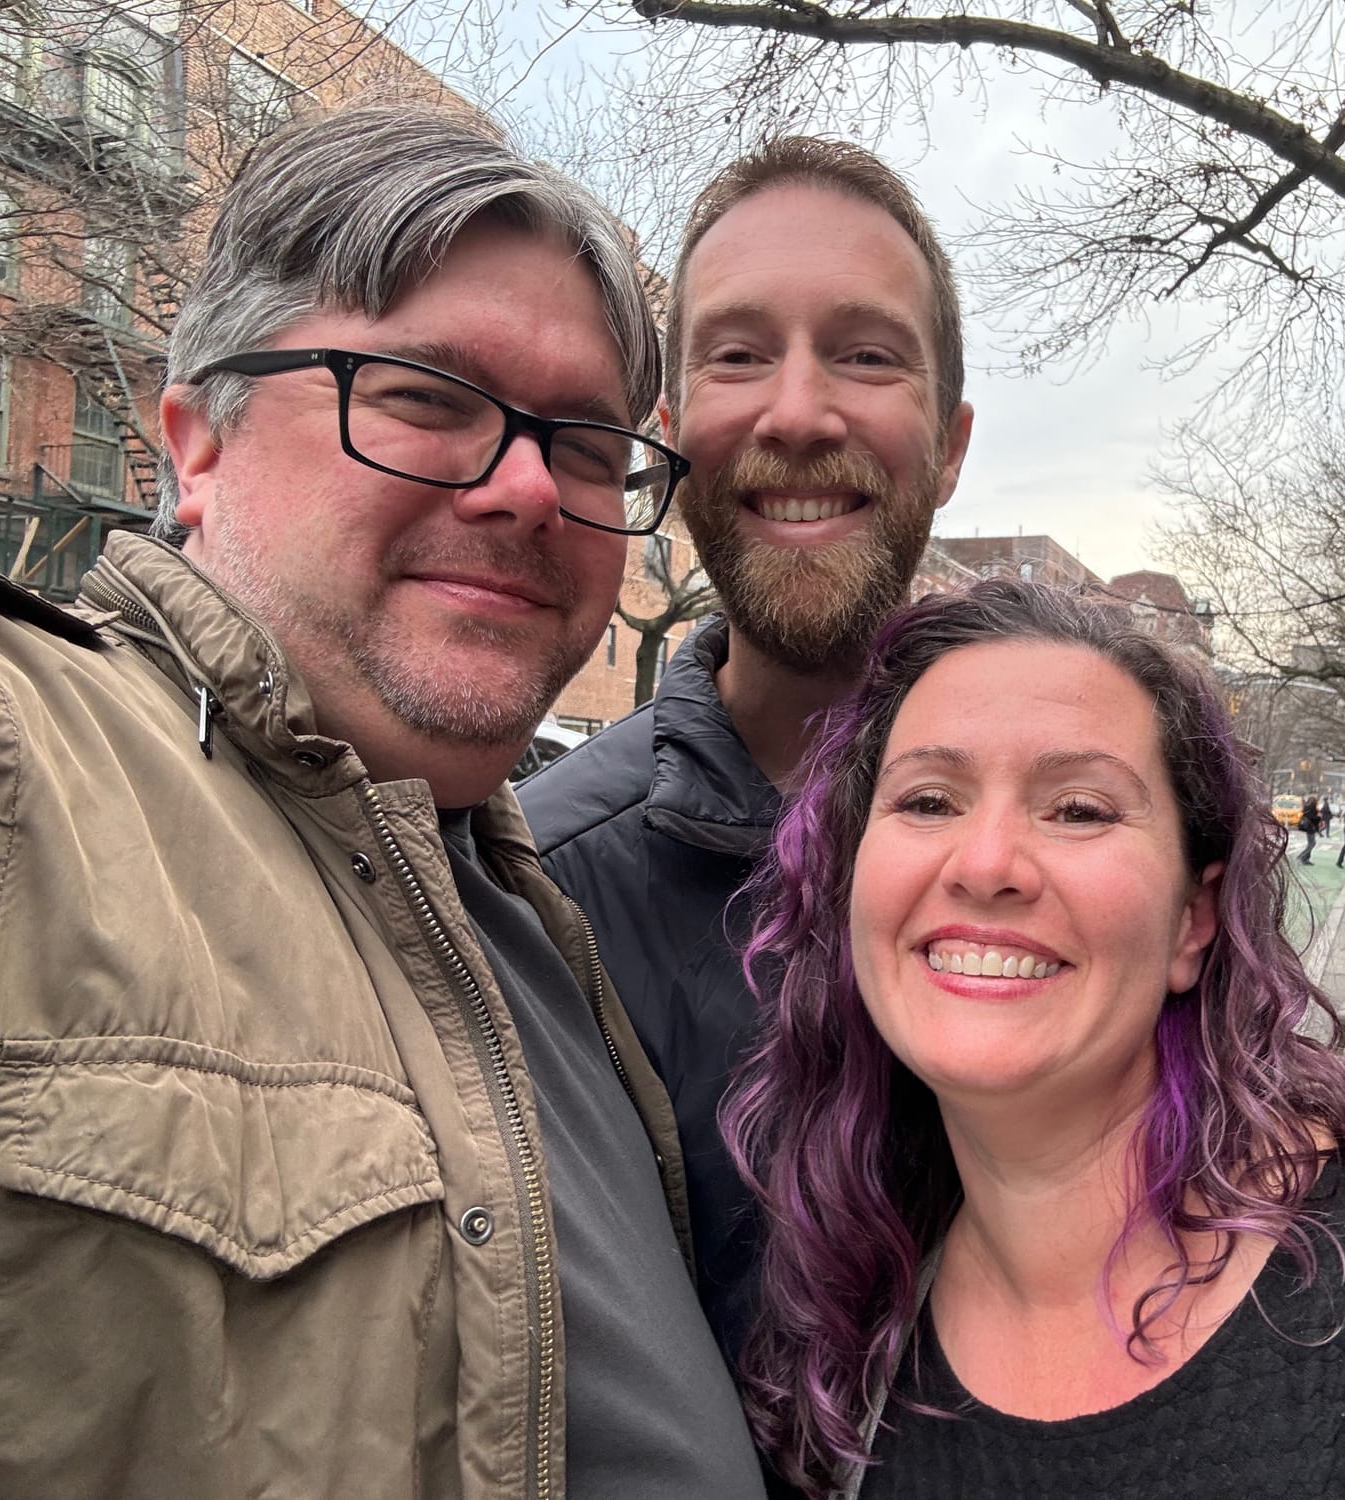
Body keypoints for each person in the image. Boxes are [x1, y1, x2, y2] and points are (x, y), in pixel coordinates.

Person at [0, 107, 763, 1497]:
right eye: (426, 398)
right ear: (196, 443)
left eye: (582, 445)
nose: (526, 489)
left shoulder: (536, 916)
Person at [722, 581, 1345, 1499]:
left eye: (1077, 808)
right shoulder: (842, 1314)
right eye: (927, 800)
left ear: (1192, 920)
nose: (985, 863)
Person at [519, 137, 974, 1357]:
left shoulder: (1095, 864)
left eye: (865, 354)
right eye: (737, 354)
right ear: (670, 438)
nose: (798, 412)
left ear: (949, 443)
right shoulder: (536, 902)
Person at [1298, 789, 1321, 863]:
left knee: (1311, 843)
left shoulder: (1307, 806)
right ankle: (1302, 856)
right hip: (1311, 827)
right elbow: (1313, 818)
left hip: (1309, 827)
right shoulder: (1312, 808)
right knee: (1312, 843)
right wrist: (1318, 817)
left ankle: (1306, 858)